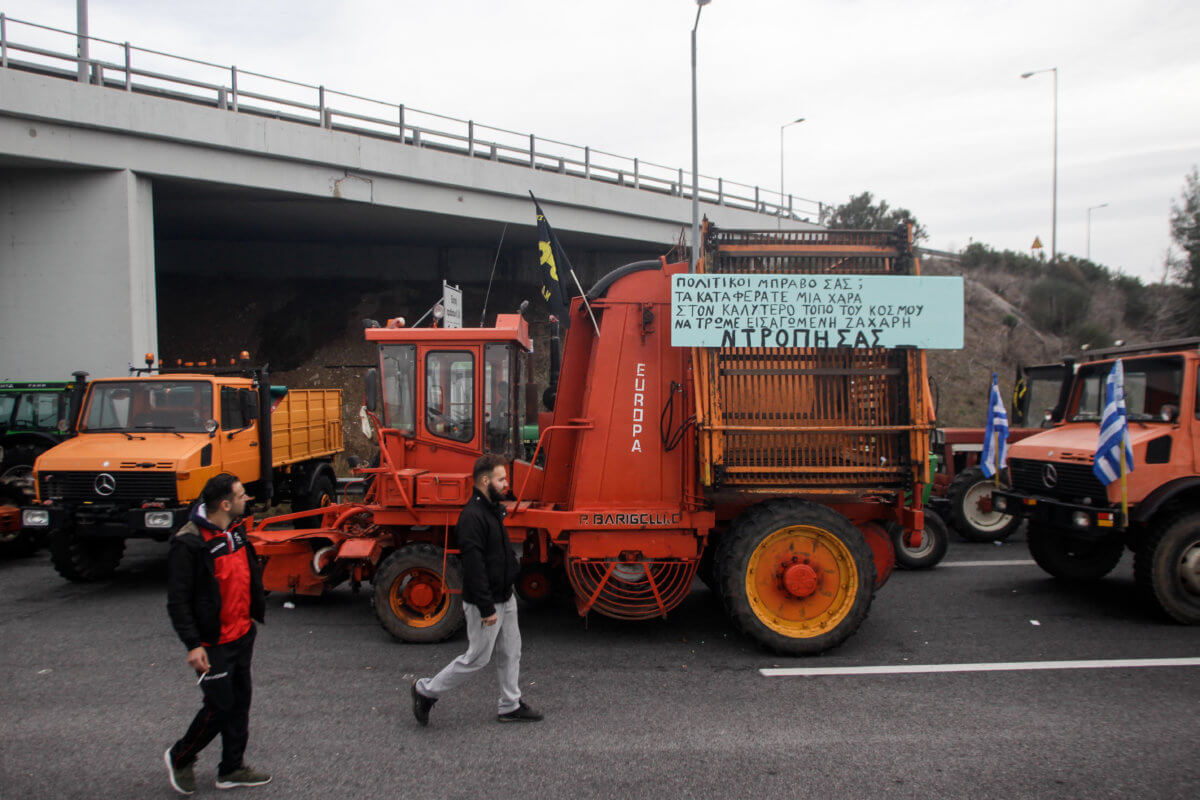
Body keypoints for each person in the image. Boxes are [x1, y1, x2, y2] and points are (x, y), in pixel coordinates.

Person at [411, 454, 543, 726]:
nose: (506, 483)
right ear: (485, 480)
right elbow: (474, 567)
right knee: (476, 658)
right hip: (486, 602)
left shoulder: (492, 509)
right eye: (501, 479)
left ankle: (510, 705)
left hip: (504, 596)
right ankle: (425, 691)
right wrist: (486, 609)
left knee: (511, 651)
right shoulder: (472, 517)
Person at [164, 473, 271, 794]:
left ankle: (232, 768)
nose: (246, 499)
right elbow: (178, 601)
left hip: (241, 634)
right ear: (225, 504)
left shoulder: (235, 530)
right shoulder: (190, 543)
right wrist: (193, 645)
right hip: (213, 645)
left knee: (240, 703)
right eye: (240, 495)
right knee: (219, 707)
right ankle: (180, 756)